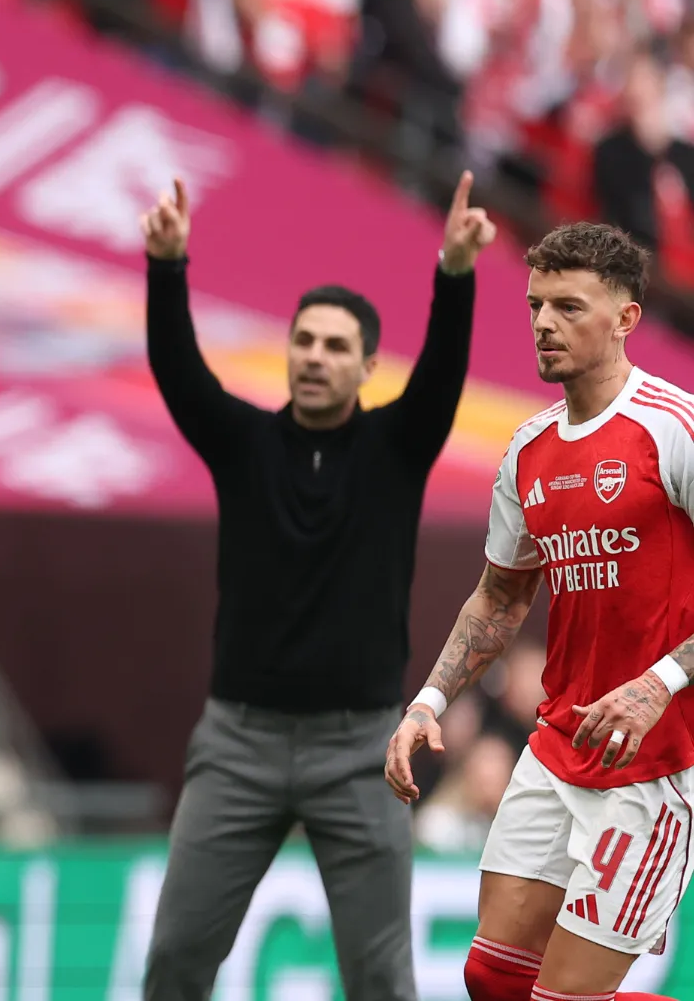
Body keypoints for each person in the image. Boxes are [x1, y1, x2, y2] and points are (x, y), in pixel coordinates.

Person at [138, 174, 490, 1000]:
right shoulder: (244, 443)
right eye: (304, 341)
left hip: (361, 750)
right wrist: (166, 266)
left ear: (368, 365)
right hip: (238, 746)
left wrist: (455, 271)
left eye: (336, 347)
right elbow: (180, 373)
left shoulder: (397, 449)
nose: (314, 358)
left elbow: (440, 377)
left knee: (379, 977)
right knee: (176, 961)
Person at [388, 222, 690, 1001]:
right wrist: (430, 699)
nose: (544, 323)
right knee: (490, 979)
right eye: (534, 305)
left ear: (625, 318)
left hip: (655, 765)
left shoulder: (673, 426)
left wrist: (661, 680)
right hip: (557, 747)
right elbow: (500, 595)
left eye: (567, 305)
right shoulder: (528, 450)